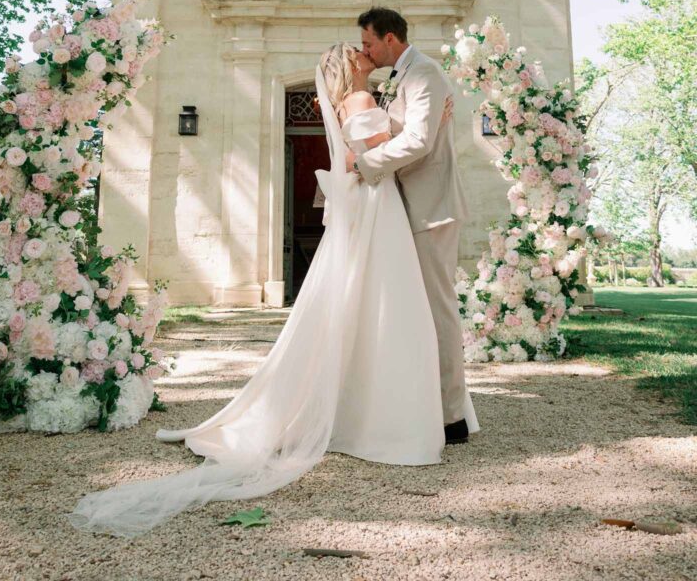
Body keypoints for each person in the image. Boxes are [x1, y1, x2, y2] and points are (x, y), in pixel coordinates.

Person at [70, 43, 477, 538]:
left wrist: (423, 126)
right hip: (378, 203)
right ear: (350, 68)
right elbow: (364, 158)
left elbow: (385, 144)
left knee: (371, 302)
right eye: (359, 52)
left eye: (365, 45)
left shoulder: (369, 101)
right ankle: (384, 411)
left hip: (379, 206)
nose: (367, 52)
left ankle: (366, 401)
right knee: (388, 306)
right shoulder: (363, 102)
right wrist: (417, 132)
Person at [354, 7, 472, 445]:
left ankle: (452, 418)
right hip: (405, 207)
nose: (364, 50)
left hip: (432, 207)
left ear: (390, 38)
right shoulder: (399, 78)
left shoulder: (424, 73)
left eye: (369, 43)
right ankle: (423, 404)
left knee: (439, 311)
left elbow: (420, 141)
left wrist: (364, 164)